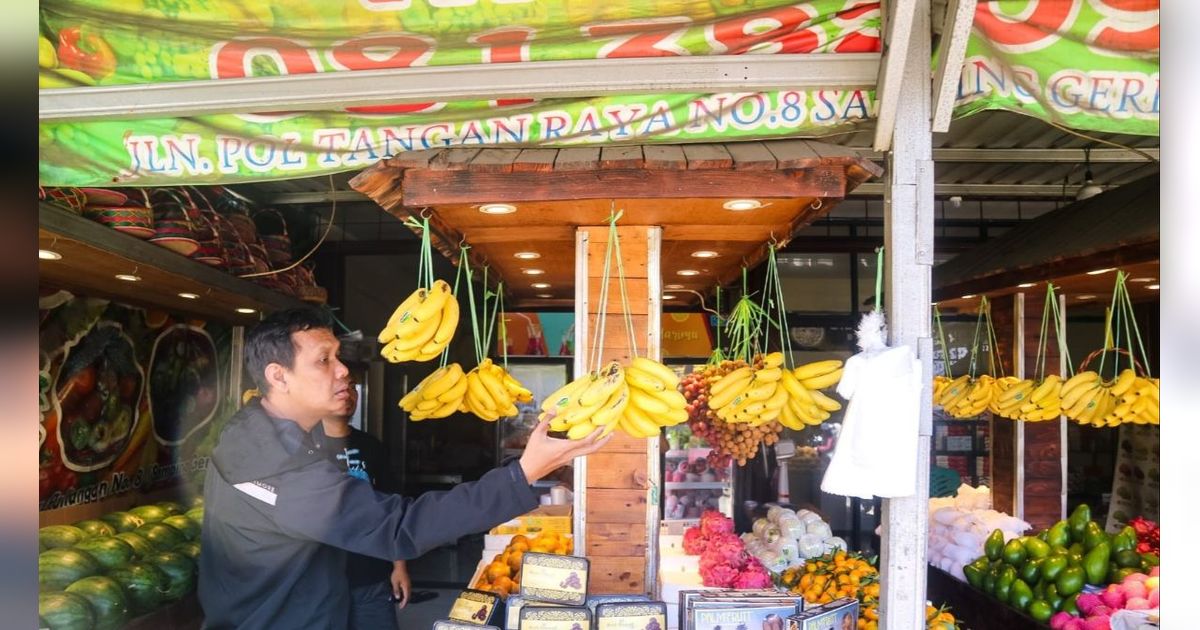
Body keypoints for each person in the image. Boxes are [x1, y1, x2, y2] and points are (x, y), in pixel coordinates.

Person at [198, 308, 611, 629]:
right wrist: (522, 474)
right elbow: (398, 527)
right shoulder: (268, 460)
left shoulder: (278, 438)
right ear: (278, 376)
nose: (343, 370)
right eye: (324, 360)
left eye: (338, 356)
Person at [315, 377, 409, 629]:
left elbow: (391, 508)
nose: (348, 394)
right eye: (340, 388)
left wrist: (399, 566)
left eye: (352, 388)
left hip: (370, 575)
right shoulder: (304, 445)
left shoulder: (372, 447)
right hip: (317, 581)